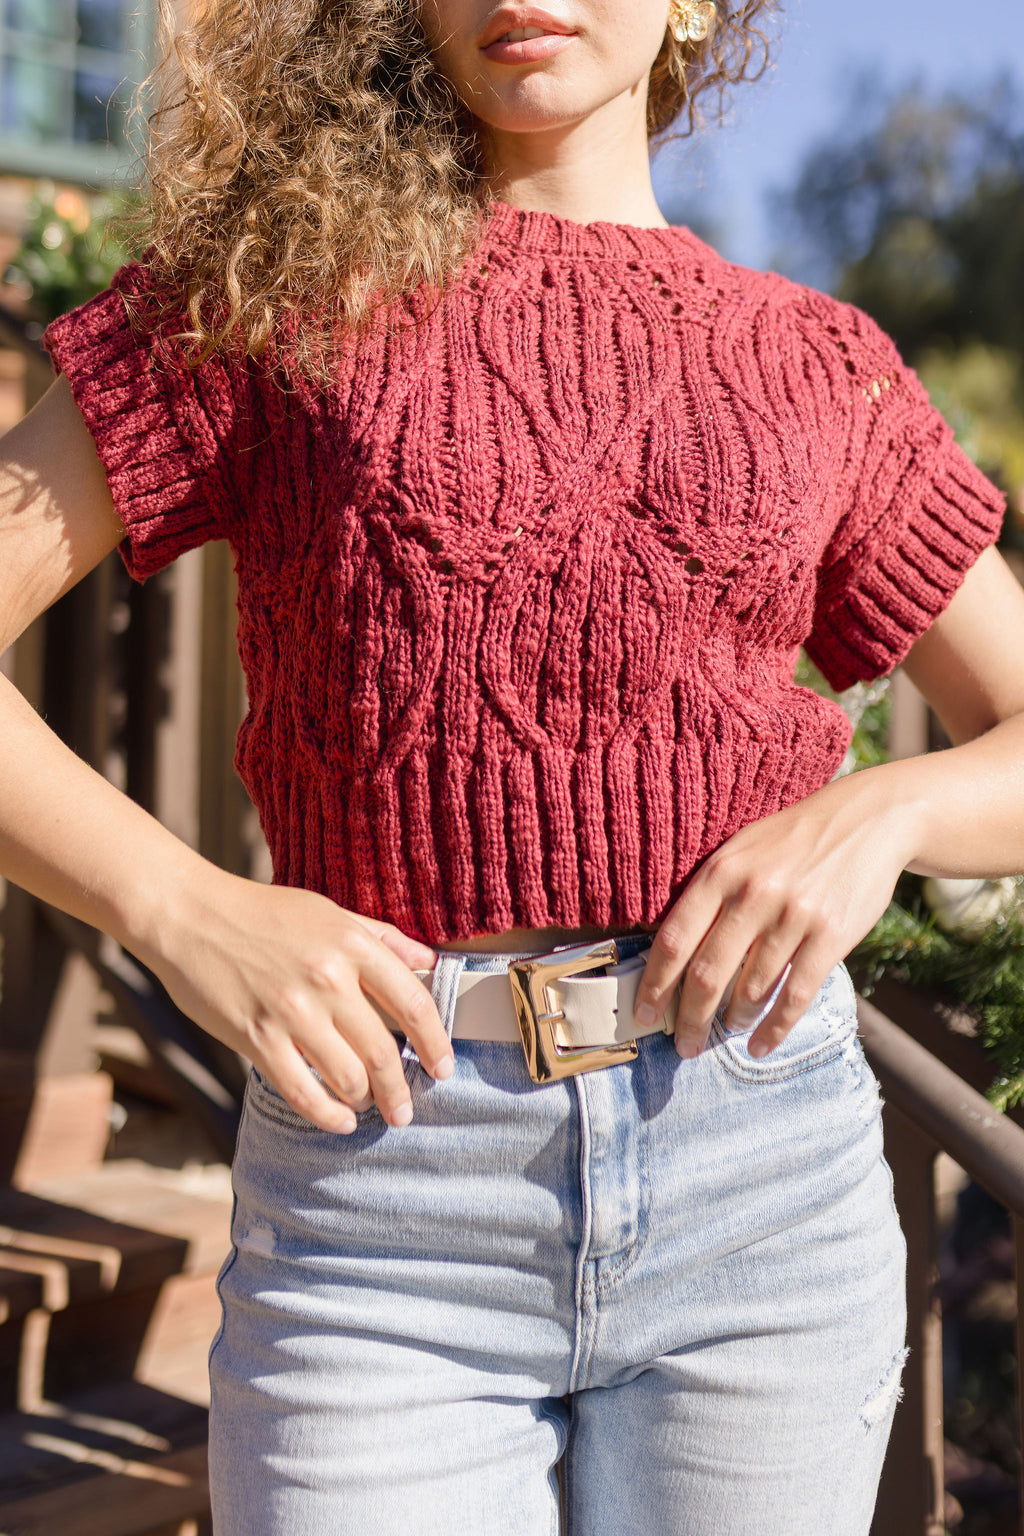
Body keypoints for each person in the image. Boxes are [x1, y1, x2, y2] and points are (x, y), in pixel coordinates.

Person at [1, 0, 1021, 1530]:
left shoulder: (824, 367)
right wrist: (177, 906)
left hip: (761, 1187)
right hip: (382, 1191)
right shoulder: (259, 303)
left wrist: (882, 814)